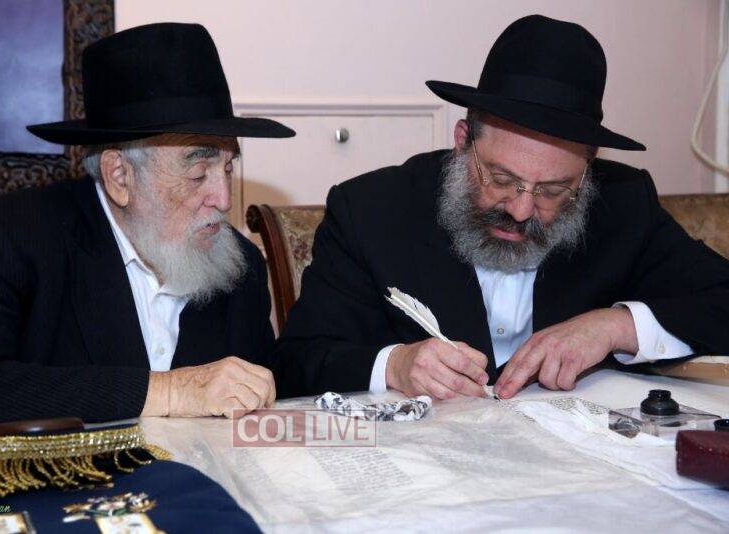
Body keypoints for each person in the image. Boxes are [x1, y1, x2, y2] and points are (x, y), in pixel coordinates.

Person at [272, 15, 729, 401]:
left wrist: (615, 326)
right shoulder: (371, 209)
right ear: (462, 142)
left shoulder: (624, 204)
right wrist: (396, 365)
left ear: (587, 173)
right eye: (502, 179)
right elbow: (297, 361)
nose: (522, 209)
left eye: (554, 189)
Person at [0, 23, 295, 432]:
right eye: (197, 174)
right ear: (119, 175)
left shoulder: (240, 266)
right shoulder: (22, 235)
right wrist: (170, 392)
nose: (223, 199)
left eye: (227, 168)